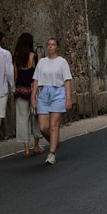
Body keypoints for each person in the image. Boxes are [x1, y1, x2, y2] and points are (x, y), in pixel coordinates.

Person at [30, 36, 73, 165]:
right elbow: (36, 80)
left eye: (53, 44)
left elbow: (67, 81)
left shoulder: (62, 62)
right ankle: (55, 142)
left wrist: (68, 98)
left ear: (57, 47)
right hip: (44, 93)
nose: (50, 46)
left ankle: (52, 153)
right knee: (43, 127)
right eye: (48, 44)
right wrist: (33, 96)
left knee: (54, 125)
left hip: (58, 93)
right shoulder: (42, 62)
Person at [13, 32, 42, 157]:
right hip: (33, 90)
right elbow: (38, 74)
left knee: (22, 119)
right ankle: (36, 145)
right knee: (36, 117)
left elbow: (15, 76)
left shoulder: (16, 57)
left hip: (20, 90)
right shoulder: (34, 56)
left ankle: (26, 148)